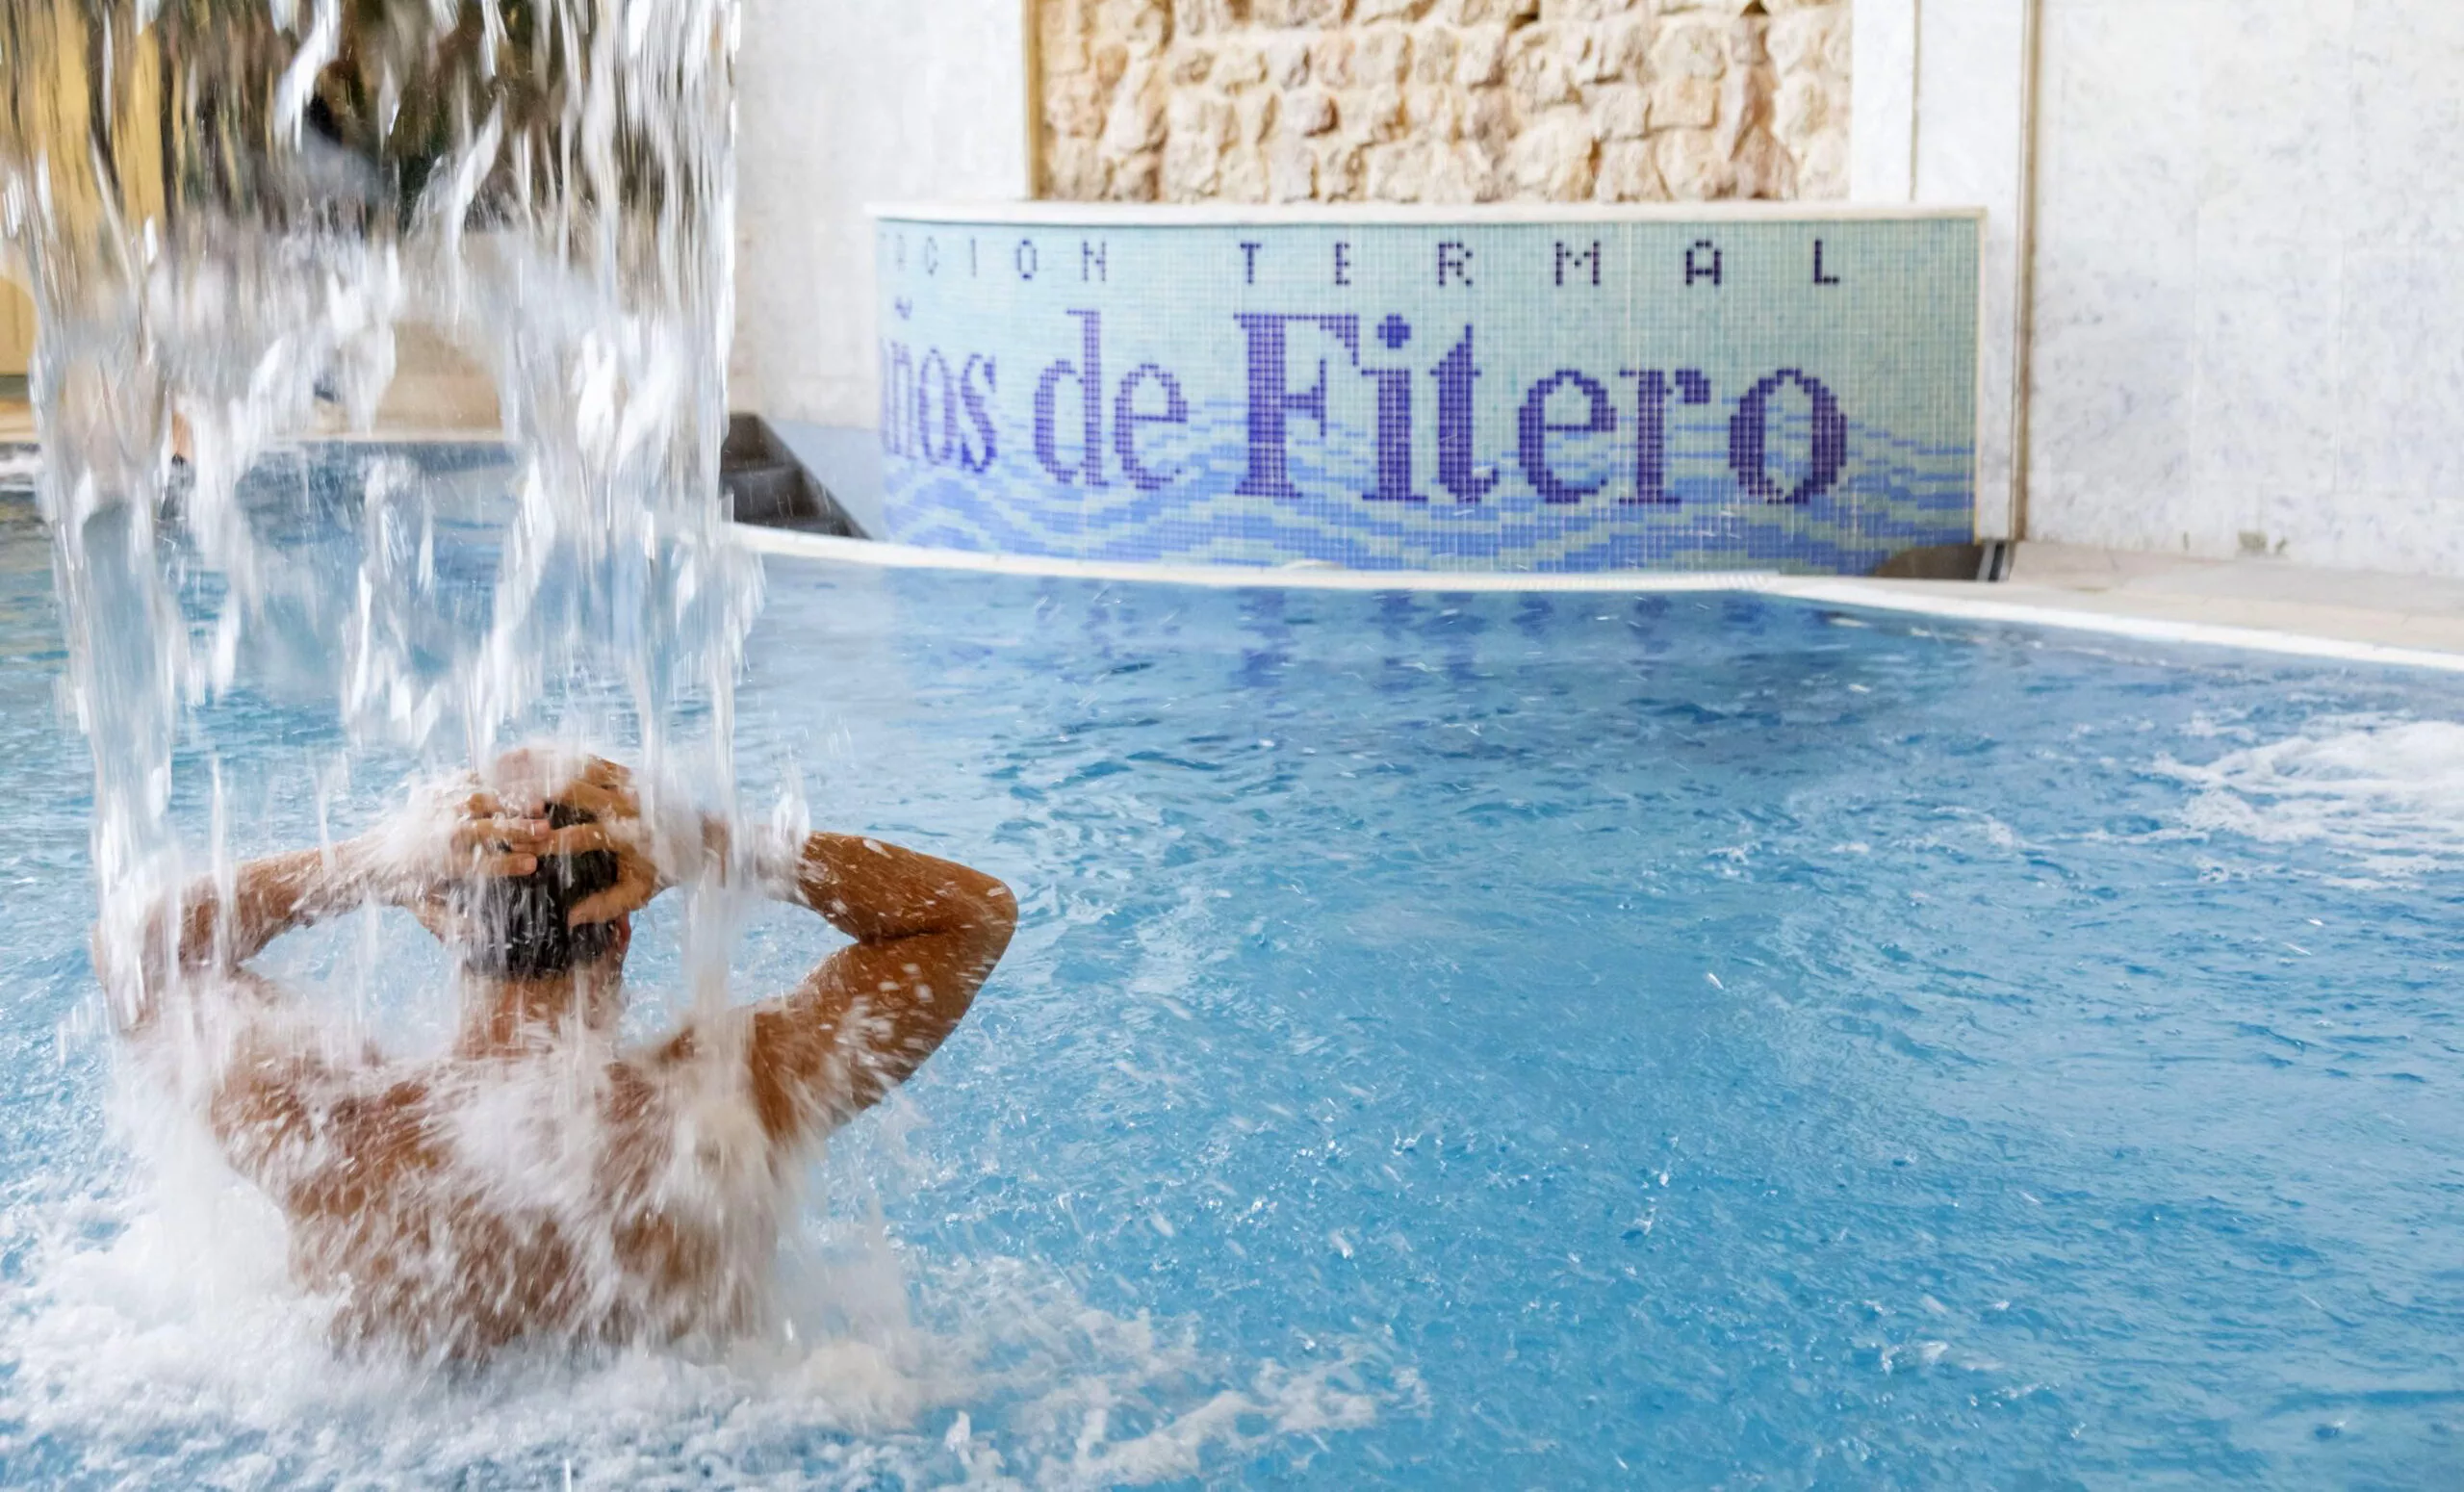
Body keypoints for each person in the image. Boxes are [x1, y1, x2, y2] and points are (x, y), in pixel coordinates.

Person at [104, 749, 1015, 1359]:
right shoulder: (732, 1103)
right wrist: (706, 844)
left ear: (447, 925)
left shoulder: (332, 1127)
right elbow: (970, 918)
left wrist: (370, 862)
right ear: (621, 927)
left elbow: (137, 961)